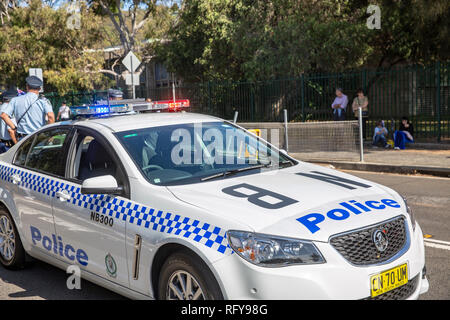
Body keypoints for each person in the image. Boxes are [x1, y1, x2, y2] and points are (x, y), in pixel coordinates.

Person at [0, 76, 55, 144]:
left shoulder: (15, 100)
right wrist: (49, 134)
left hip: (23, 138)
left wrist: (14, 128)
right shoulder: (44, 101)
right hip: (38, 137)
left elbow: (3, 115)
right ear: (39, 88)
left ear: (27, 86)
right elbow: (51, 117)